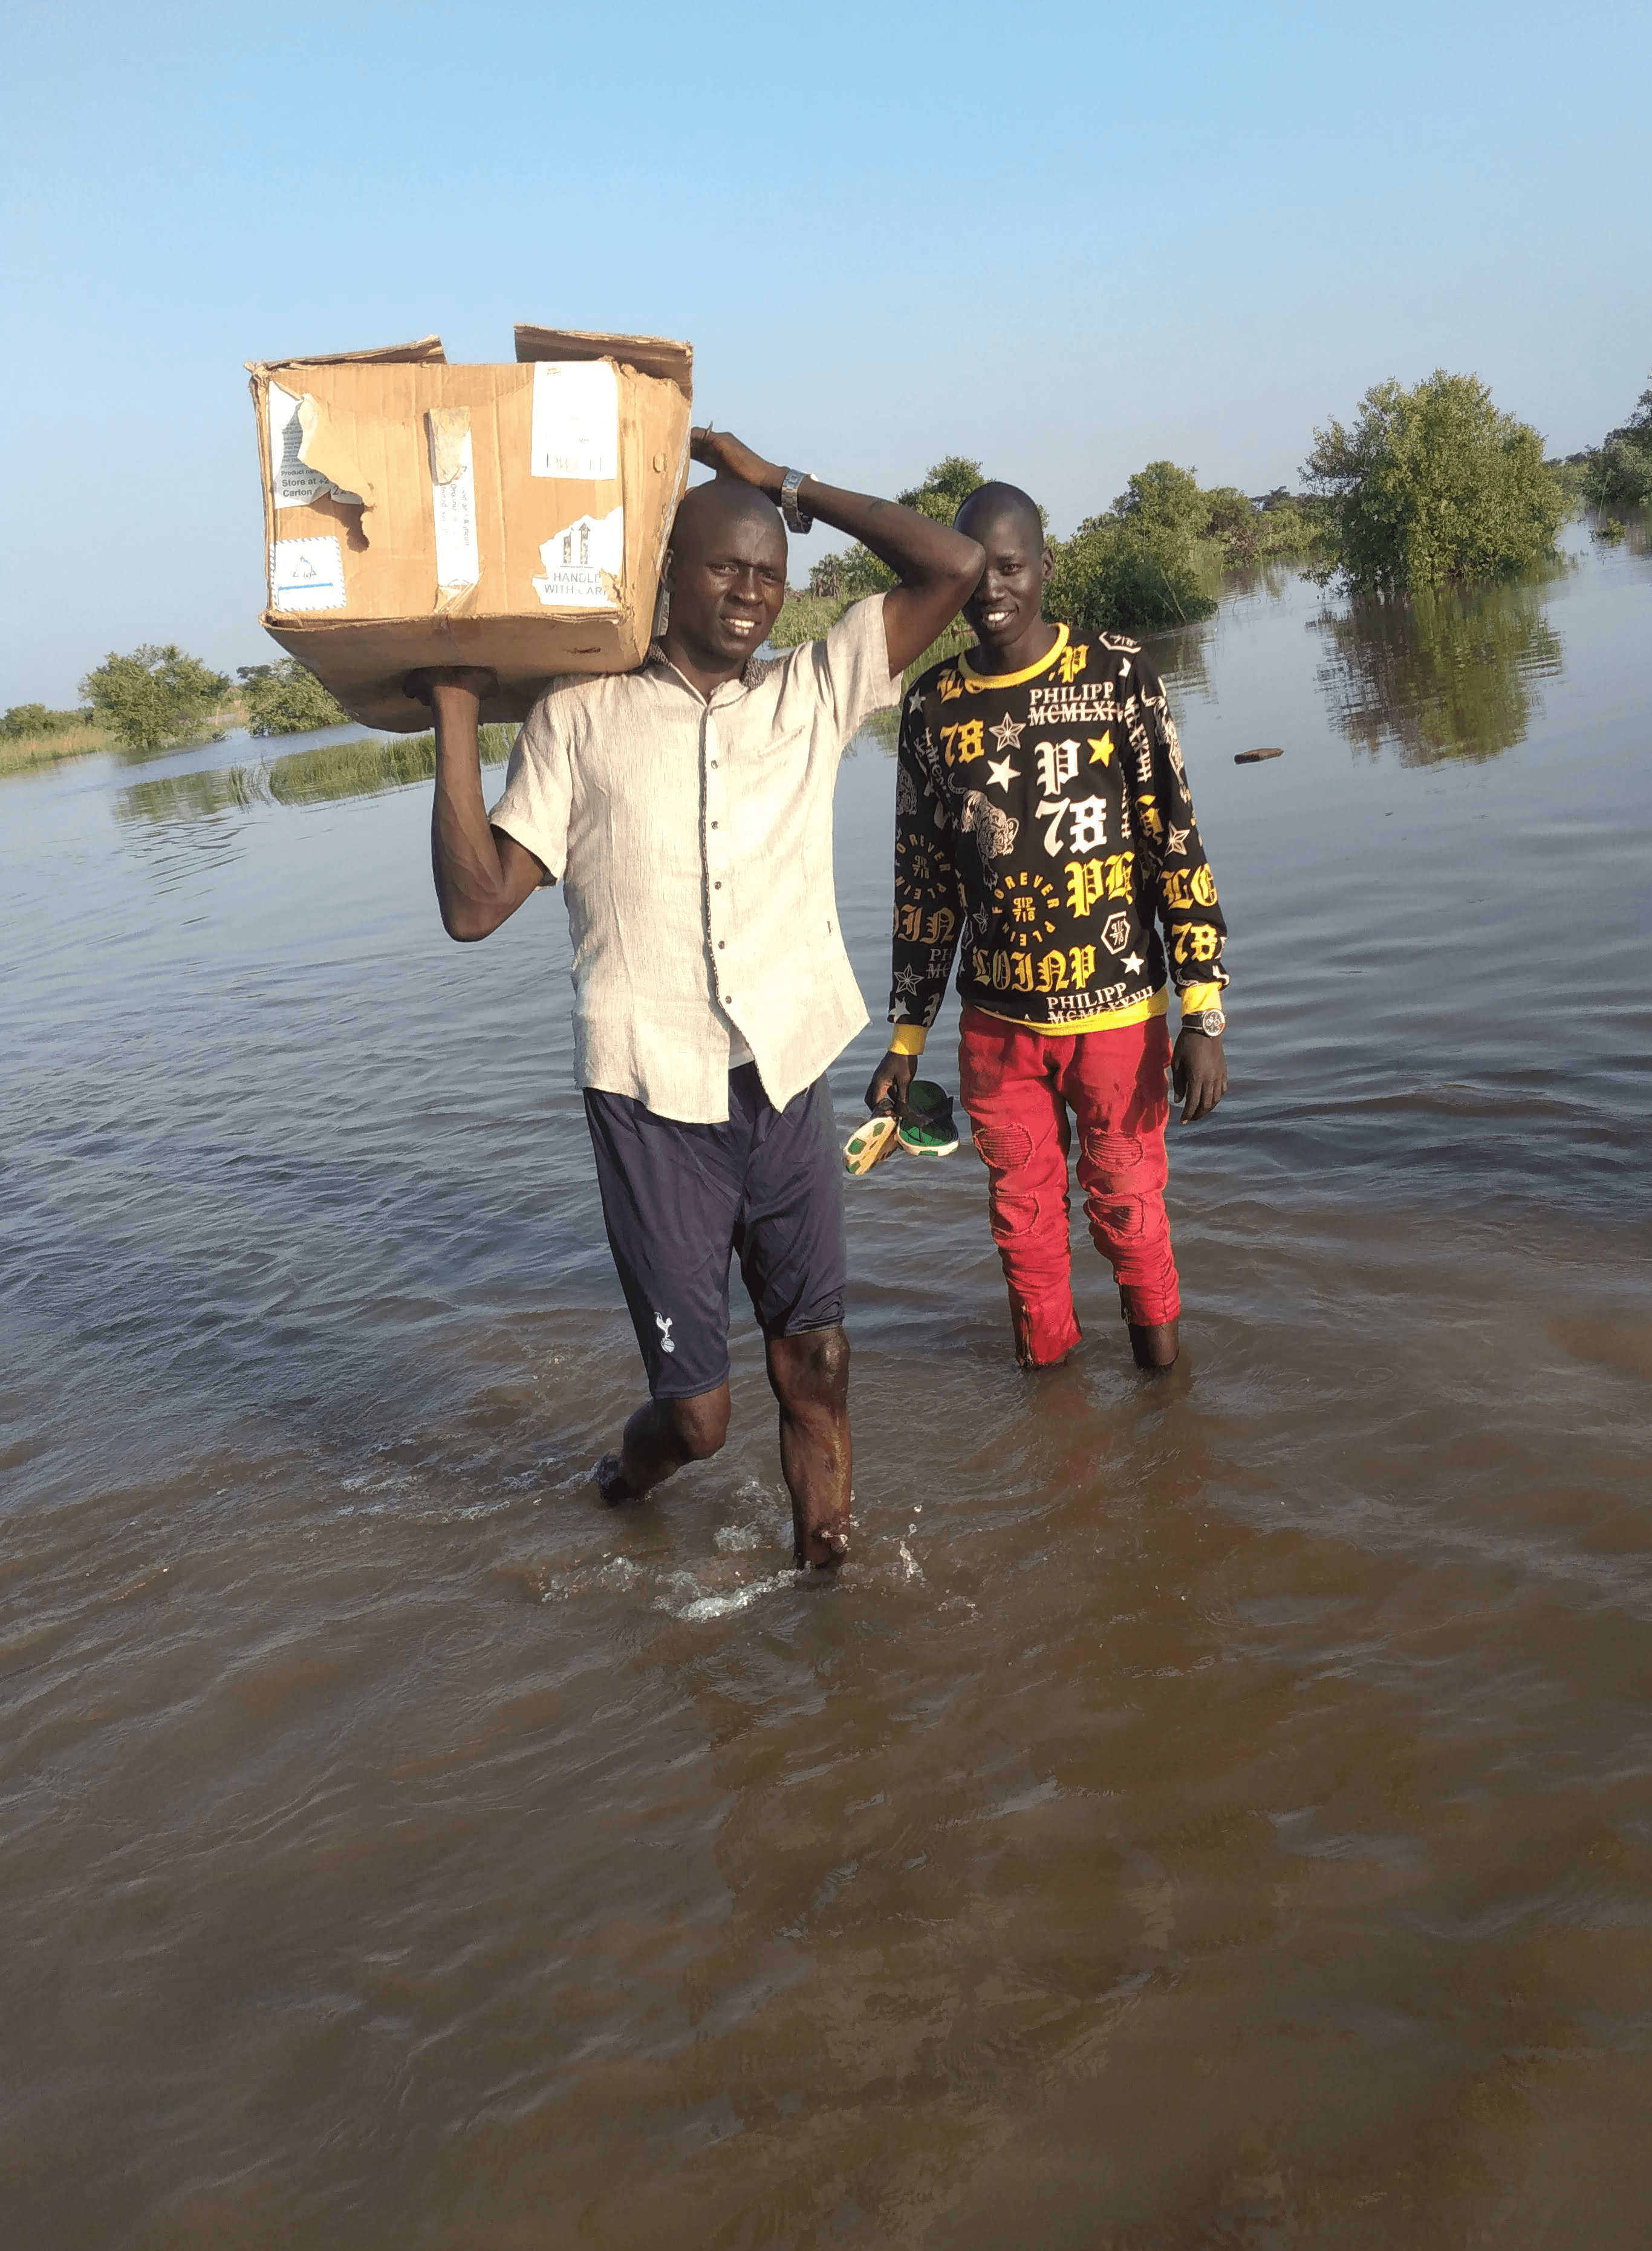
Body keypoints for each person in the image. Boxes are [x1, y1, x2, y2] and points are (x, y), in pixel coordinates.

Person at [408, 431, 984, 1568]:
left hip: (782, 1075)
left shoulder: (812, 696)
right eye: (726, 566)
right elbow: (475, 908)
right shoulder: (580, 717)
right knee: (702, 1422)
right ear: (666, 571)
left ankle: (828, 1583)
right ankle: (626, 1480)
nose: (752, 594)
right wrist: (458, 711)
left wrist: (782, 483)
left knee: (817, 1361)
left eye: (769, 574)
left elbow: (954, 568)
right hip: (650, 1098)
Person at [867, 482, 1229, 1371]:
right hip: (997, 1032)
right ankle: (1057, 1418)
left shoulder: (1117, 674)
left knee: (1130, 1211)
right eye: (975, 575)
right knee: (1023, 1231)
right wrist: (906, 1036)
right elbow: (924, 882)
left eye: (1012, 570)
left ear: (1045, 570)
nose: (991, 592)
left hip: (1118, 1017)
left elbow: (1172, 836)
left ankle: (1164, 1400)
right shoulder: (932, 707)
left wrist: (1204, 1012)